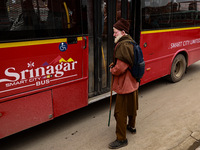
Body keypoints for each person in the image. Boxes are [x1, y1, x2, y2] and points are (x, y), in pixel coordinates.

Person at [109, 18, 139, 149]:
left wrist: (112, 69)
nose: (114, 34)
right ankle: (131, 127)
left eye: (115, 32)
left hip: (125, 85)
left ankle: (121, 139)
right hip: (133, 82)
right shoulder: (131, 41)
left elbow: (120, 68)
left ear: (123, 32)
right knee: (132, 106)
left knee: (119, 113)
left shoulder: (123, 46)